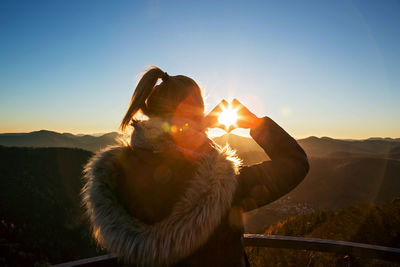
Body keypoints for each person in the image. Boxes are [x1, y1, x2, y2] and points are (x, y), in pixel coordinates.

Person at [81, 66, 309, 267]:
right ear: (195, 111)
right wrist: (255, 124)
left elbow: (173, 146)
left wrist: (196, 128)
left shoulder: (117, 172)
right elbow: (295, 162)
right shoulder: (220, 183)